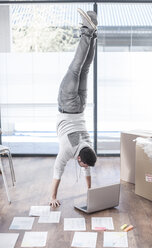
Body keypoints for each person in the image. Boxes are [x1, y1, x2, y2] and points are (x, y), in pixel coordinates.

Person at [50, 8, 98, 207]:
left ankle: (93, 32)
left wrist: (90, 192)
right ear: (79, 157)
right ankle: (88, 30)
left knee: (84, 68)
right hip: (68, 103)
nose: (83, 167)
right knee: (76, 67)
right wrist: (52, 197)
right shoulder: (69, 150)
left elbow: (87, 168)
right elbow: (57, 172)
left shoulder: (89, 148)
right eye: (83, 164)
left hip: (80, 106)